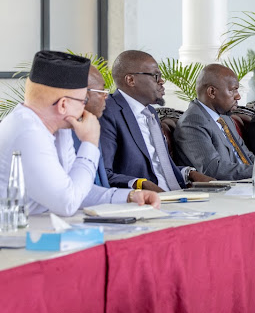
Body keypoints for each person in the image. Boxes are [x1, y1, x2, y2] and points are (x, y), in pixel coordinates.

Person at [0, 51, 160, 216]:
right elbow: (67, 203)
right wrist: (89, 143)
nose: (84, 107)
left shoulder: (61, 128)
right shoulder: (27, 133)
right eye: (82, 101)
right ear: (63, 105)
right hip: (14, 235)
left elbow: (78, 189)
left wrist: (130, 196)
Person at [100, 50, 214, 191]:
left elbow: (160, 167)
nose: (161, 81)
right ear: (130, 80)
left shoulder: (150, 112)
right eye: (155, 76)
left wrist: (189, 173)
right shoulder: (108, 111)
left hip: (177, 194)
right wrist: (140, 184)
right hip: (144, 201)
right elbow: (103, 173)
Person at [173, 64, 255, 180]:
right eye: (233, 90)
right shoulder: (193, 122)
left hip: (245, 184)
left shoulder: (225, 118)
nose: (238, 96)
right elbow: (212, 169)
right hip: (220, 191)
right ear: (211, 92)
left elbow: (246, 156)